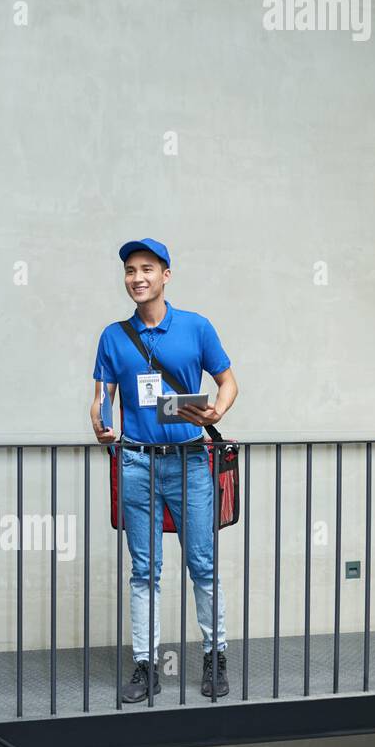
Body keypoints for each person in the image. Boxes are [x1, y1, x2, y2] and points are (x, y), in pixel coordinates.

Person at [90, 238, 238, 702]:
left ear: (165, 275)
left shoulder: (196, 327)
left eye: (147, 269)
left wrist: (217, 412)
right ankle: (145, 665)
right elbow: (102, 397)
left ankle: (216, 656)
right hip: (135, 461)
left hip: (192, 460)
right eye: (130, 270)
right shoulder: (113, 336)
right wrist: (101, 422)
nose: (137, 277)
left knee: (203, 564)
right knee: (143, 569)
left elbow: (228, 381)